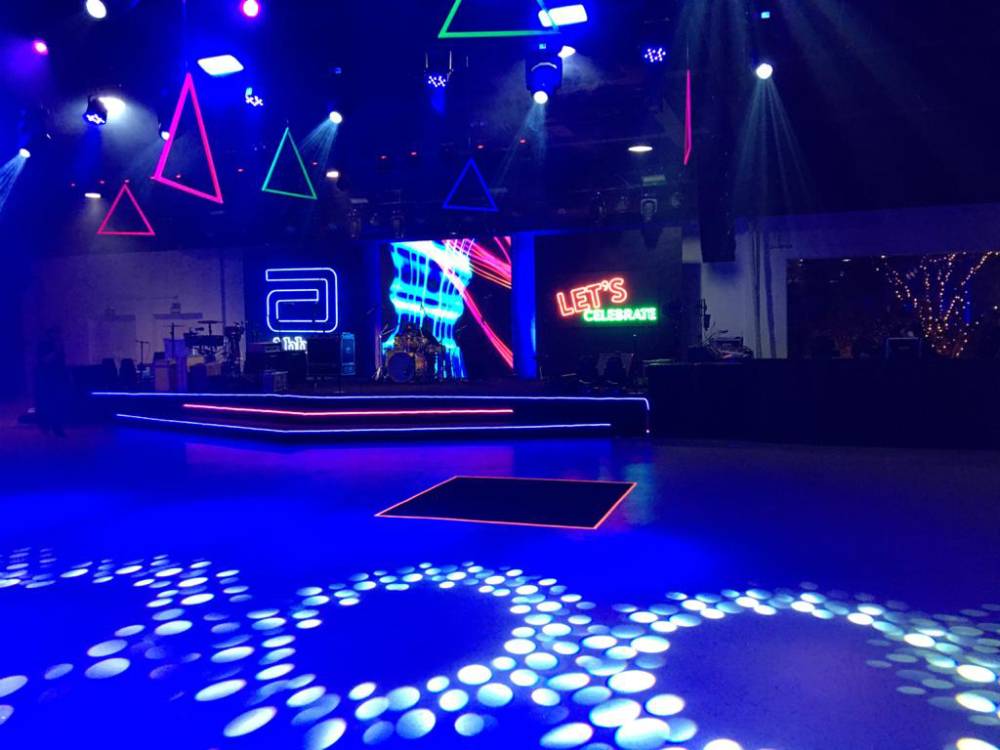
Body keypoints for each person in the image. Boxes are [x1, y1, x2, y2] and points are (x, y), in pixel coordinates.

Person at [35, 328, 70, 436]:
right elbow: (44, 360)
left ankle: (57, 428)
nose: (58, 336)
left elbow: (62, 362)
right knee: (48, 404)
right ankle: (47, 427)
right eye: (55, 334)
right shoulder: (44, 345)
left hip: (58, 378)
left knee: (59, 404)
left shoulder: (59, 346)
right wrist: (56, 350)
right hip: (47, 379)